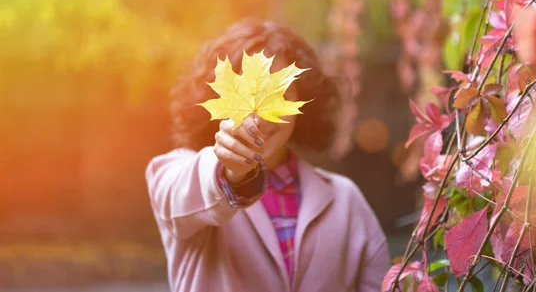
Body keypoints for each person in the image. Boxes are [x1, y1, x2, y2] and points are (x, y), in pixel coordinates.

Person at [145, 18, 390, 292]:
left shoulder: (345, 200)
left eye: (278, 93)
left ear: (303, 99)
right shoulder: (173, 173)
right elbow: (182, 193)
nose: (258, 116)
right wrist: (232, 174)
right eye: (247, 93)